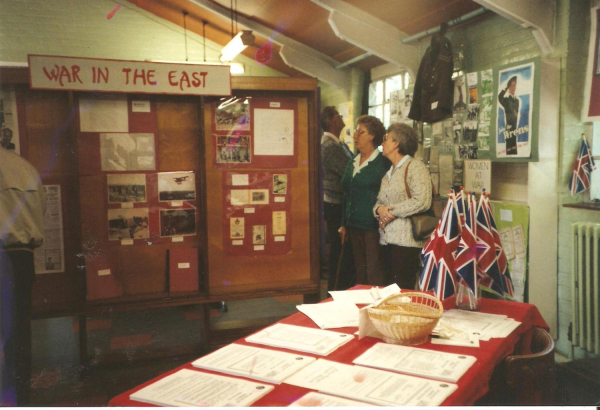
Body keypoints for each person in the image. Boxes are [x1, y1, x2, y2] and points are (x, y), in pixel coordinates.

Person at [0, 147, 46, 406]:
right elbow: (42, 208)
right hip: (21, 258)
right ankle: (20, 397)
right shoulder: (25, 168)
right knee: (19, 331)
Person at [374, 123, 432, 289]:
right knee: (388, 291)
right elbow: (379, 203)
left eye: (386, 139)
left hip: (407, 243)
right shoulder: (389, 173)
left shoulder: (415, 167)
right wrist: (379, 210)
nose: (382, 143)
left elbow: (422, 200)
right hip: (386, 241)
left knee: (403, 290)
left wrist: (391, 212)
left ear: (397, 143)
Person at [339, 115, 390, 286]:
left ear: (372, 135)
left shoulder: (382, 163)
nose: (355, 136)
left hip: (373, 228)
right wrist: (344, 223)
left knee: (374, 274)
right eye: (356, 131)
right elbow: (347, 193)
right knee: (360, 275)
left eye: (361, 132)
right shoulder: (354, 160)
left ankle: (377, 310)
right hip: (354, 227)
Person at [320, 106, 354, 290]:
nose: (342, 118)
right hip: (336, 204)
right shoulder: (329, 146)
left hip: (338, 203)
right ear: (332, 120)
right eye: (339, 116)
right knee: (339, 250)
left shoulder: (337, 144)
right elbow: (349, 170)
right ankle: (335, 290)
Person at [498, 75, 519, 155]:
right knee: (509, 149)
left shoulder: (517, 101)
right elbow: (500, 97)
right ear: (509, 87)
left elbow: (516, 114)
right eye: (512, 85)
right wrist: (505, 89)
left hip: (515, 128)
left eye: (515, 85)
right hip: (509, 128)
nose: (514, 87)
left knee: (514, 149)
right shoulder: (506, 100)